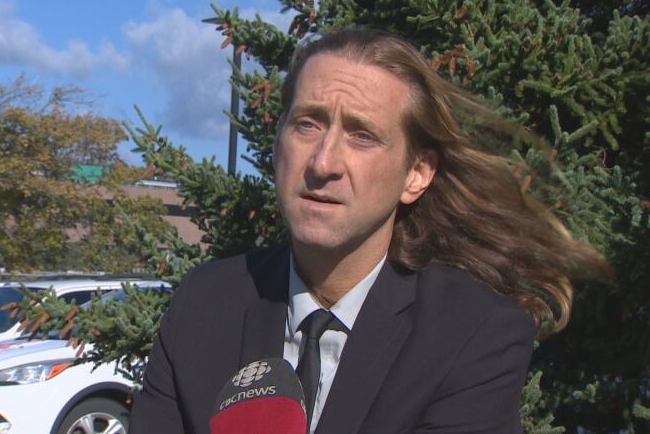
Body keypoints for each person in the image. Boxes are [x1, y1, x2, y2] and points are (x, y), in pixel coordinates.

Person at [130, 27, 605, 434]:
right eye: (308, 124)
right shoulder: (204, 305)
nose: (323, 162)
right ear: (277, 144)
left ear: (416, 174)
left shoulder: (474, 335)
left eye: (362, 135)